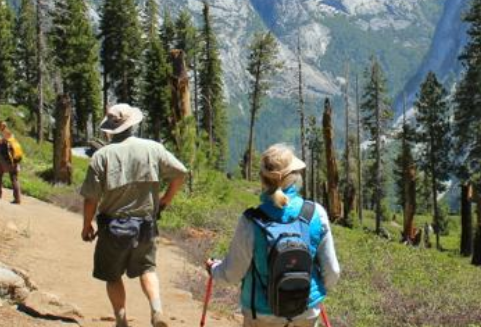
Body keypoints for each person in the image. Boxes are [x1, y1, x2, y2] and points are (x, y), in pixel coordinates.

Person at [207, 144, 340, 327]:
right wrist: (314, 291)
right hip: (306, 310)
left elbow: (232, 274)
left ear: (262, 179)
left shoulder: (251, 221)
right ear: (294, 177)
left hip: (261, 314)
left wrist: (213, 269)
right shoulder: (316, 213)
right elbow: (332, 272)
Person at [80, 104, 187, 327]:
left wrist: (87, 224)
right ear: (133, 125)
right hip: (146, 224)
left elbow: (91, 198)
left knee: (112, 275)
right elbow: (180, 173)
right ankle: (157, 310)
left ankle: (121, 319)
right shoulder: (153, 148)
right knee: (147, 269)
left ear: (110, 129)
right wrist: (165, 199)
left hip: (113, 226)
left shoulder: (102, 156)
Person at [0, 121, 22, 204]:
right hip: (14, 161)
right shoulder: (12, 135)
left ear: (0, 127)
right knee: (14, 179)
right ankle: (17, 199)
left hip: (3, 161)